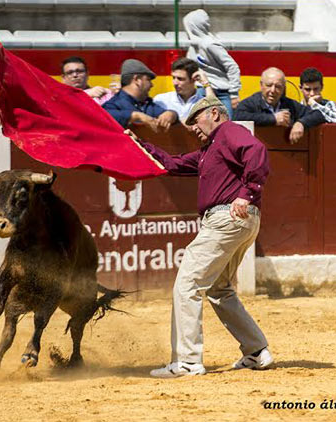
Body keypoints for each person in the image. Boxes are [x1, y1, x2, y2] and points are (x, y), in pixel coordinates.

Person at [126, 96, 272, 378]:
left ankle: (187, 360)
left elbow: (257, 151)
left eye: (196, 120)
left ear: (215, 113)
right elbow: (172, 164)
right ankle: (256, 351)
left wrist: (247, 194)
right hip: (238, 222)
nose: (192, 127)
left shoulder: (228, 132)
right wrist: (139, 144)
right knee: (220, 290)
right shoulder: (210, 150)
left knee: (187, 284)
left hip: (225, 220)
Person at [234, 67, 325, 144]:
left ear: (283, 88)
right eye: (269, 85)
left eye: (278, 86)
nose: (273, 90)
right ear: (261, 85)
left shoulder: (290, 104)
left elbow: (318, 115)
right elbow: (238, 116)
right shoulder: (250, 103)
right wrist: (273, 119)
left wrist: (301, 123)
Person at [184, 9, 241, 119]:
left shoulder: (210, 45)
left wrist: (234, 94)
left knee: (225, 123)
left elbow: (232, 66)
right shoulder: (192, 47)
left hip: (222, 93)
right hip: (202, 91)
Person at [103, 59, 177, 132]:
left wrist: (171, 114)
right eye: (148, 79)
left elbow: (164, 113)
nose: (151, 85)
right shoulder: (114, 104)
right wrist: (135, 116)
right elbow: (103, 116)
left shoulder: (147, 104)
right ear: (137, 79)